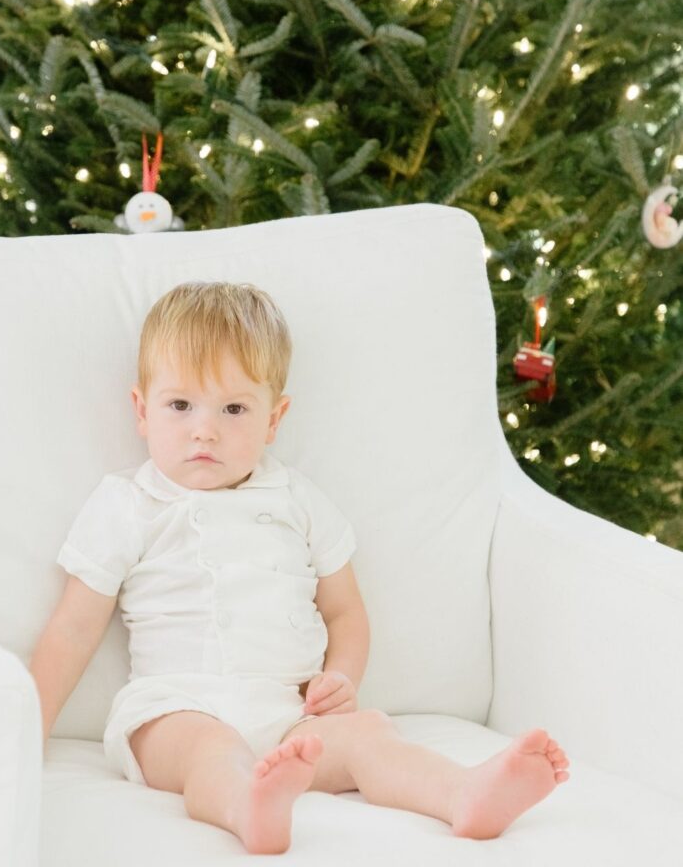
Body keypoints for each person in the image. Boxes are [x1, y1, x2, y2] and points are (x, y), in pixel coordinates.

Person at [29, 281, 570, 854]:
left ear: (274, 419)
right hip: (173, 706)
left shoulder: (298, 500)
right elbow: (73, 628)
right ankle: (248, 805)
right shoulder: (126, 504)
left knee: (369, 736)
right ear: (142, 410)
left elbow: (344, 610)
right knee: (208, 752)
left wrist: (342, 678)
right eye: (180, 405)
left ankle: (462, 793)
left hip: (293, 718)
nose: (204, 429)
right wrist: (26, 729)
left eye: (234, 408)